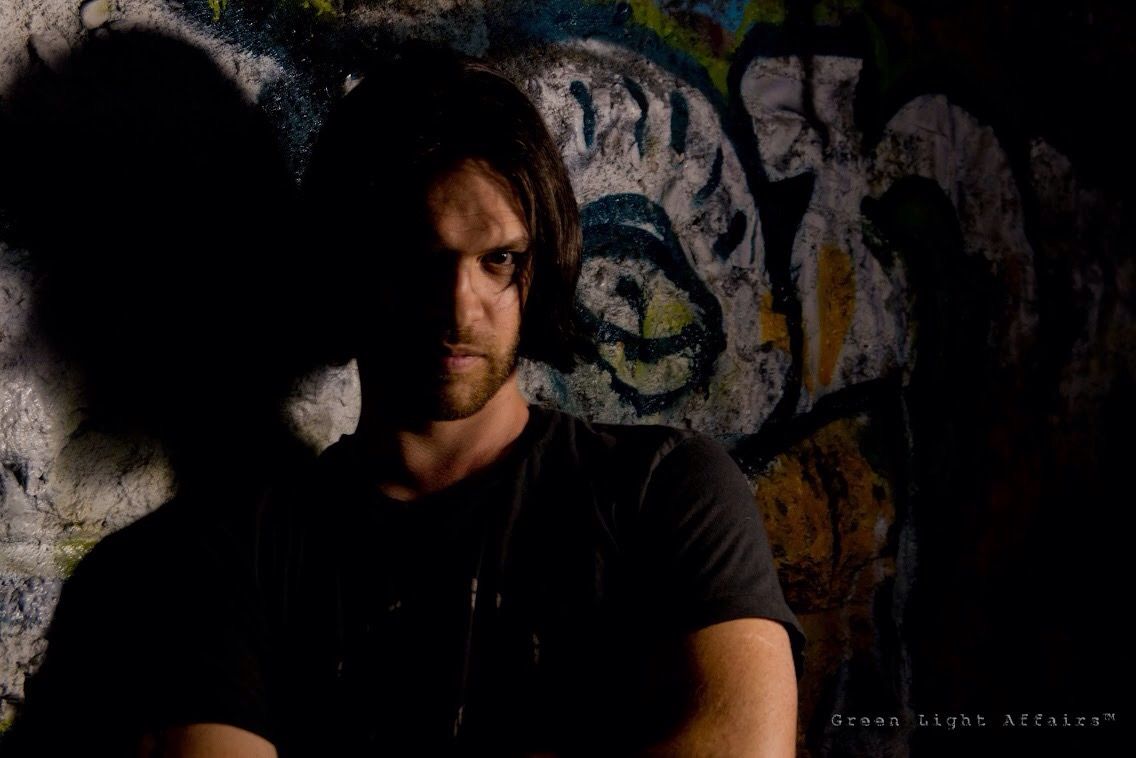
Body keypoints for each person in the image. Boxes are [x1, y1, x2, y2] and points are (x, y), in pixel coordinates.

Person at [9, 46, 805, 757]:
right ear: (349, 264)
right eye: (419, 258)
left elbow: (742, 746)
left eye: (499, 259)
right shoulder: (231, 554)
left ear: (541, 261)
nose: (460, 306)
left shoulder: (665, 492)